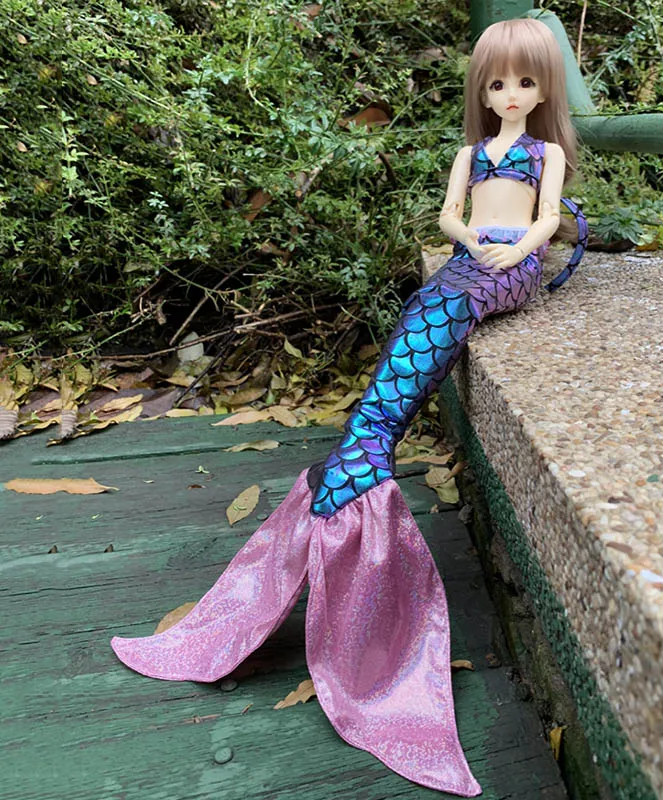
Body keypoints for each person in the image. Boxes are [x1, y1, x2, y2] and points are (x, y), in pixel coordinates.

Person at [111, 17, 587, 797]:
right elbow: (449, 215)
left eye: (525, 83)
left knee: (447, 305)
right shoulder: (474, 151)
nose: (510, 95)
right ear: (483, 89)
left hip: (511, 268)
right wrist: (469, 236)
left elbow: (547, 219)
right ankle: (368, 448)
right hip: (473, 256)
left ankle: (367, 443)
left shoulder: (545, 153)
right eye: (497, 83)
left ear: (543, 90)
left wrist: (514, 248)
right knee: (427, 305)